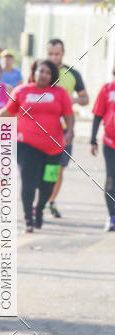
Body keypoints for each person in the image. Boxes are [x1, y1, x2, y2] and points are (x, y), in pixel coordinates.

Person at [0, 59, 73, 232]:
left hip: (54, 147)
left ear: (52, 76)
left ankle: (39, 209)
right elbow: (7, 112)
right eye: (41, 71)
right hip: (26, 144)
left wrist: (70, 132)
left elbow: (69, 115)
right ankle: (28, 218)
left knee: (49, 183)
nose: (44, 75)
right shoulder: (22, 91)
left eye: (48, 72)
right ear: (34, 73)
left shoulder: (60, 93)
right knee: (28, 181)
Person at [45, 38, 89, 218]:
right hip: (42, 129)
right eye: (50, 54)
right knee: (42, 168)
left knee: (58, 168)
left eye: (57, 54)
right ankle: (39, 202)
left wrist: (74, 100)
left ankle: (51, 201)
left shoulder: (73, 74)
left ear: (63, 53)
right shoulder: (41, 71)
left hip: (63, 131)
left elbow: (86, 99)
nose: (53, 57)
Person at [90, 65, 115, 231]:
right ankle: (112, 216)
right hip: (110, 143)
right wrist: (92, 139)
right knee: (111, 179)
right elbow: (98, 114)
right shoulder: (107, 89)